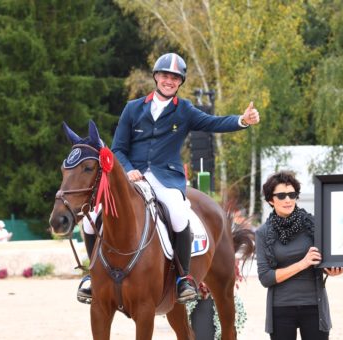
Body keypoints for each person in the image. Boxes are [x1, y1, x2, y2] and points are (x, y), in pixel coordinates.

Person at [76, 52, 260, 304]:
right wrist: (128, 169)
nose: (169, 81)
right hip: (132, 179)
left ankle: (183, 277)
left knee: (177, 212)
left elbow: (212, 123)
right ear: (156, 77)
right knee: (89, 221)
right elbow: (118, 148)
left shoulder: (184, 110)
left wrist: (242, 120)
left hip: (166, 179)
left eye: (175, 78)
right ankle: (91, 275)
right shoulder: (133, 108)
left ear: (180, 82)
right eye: (165, 75)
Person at [256, 171, 343, 340]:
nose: (288, 200)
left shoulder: (314, 225)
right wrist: (302, 263)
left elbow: (325, 261)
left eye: (292, 194)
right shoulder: (263, 233)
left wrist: (332, 269)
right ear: (270, 201)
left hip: (314, 306)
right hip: (280, 307)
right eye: (281, 195)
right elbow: (265, 277)